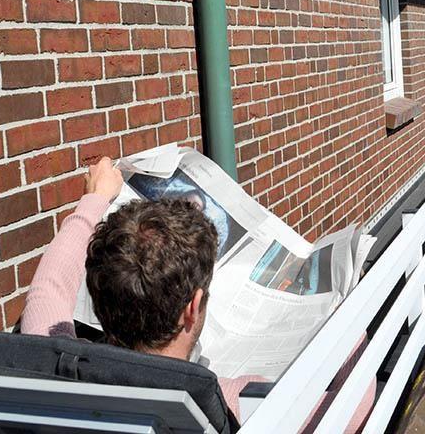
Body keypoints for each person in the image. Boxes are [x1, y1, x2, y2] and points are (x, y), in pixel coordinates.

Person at [21, 157, 373, 430]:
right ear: (192, 308)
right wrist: (343, 308)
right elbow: (353, 406)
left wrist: (95, 198)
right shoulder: (230, 400)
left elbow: (48, 291)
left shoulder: (62, 371)